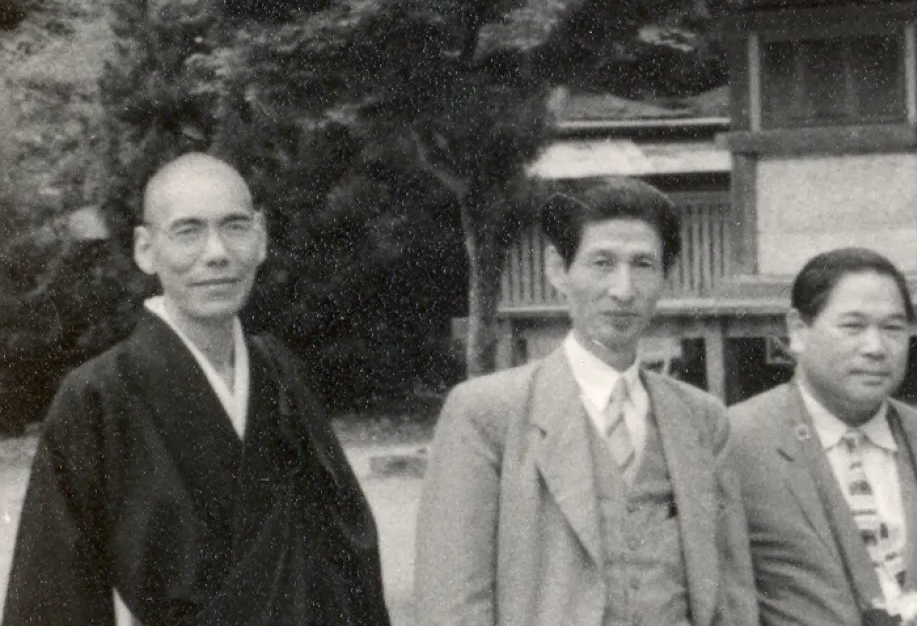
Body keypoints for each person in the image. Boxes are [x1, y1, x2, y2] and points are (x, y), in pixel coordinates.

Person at [3, 152, 390, 626]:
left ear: (261, 237)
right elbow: (55, 593)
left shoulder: (282, 375)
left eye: (234, 226)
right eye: (188, 231)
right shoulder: (97, 397)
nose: (216, 253)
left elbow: (349, 554)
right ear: (146, 249)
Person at [415, 180, 757, 626]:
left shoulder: (702, 418)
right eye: (602, 263)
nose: (623, 289)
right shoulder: (486, 412)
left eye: (643, 265)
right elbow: (452, 601)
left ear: (665, 277)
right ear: (558, 270)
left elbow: (731, 593)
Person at [729, 248, 917, 626]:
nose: (876, 348)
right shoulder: (735, 441)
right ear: (798, 330)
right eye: (853, 326)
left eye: (893, 328)